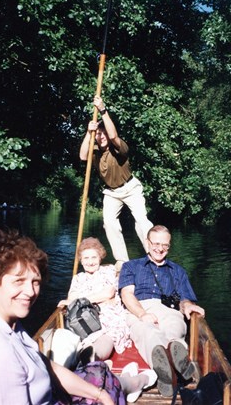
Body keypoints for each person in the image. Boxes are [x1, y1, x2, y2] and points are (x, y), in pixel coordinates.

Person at [0, 229, 115, 405]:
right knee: (111, 384)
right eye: (18, 281)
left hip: (52, 395)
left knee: (102, 376)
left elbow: (46, 366)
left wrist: (99, 394)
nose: (30, 292)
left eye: (35, 282)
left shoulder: (4, 323)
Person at [58, 237, 157, 402]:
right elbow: (71, 298)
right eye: (86, 258)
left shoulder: (109, 270)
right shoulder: (78, 278)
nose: (90, 262)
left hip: (109, 314)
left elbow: (108, 293)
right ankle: (88, 357)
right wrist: (90, 298)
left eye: (93, 257)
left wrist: (82, 299)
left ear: (100, 257)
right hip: (85, 320)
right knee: (83, 335)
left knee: (106, 335)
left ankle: (93, 356)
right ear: (81, 260)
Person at [118, 225, 205, 398]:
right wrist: (142, 314)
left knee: (174, 325)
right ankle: (169, 367)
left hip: (169, 309)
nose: (160, 249)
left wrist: (187, 305)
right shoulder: (131, 266)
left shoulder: (178, 271)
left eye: (164, 245)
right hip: (139, 308)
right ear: (147, 243)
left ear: (169, 246)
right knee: (147, 331)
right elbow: (127, 294)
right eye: (156, 243)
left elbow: (184, 299)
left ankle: (172, 361)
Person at [79, 95, 153, 270]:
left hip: (131, 187)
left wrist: (103, 110)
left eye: (103, 132)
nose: (101, 136)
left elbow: (113, 136)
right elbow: (83, 156)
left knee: (142, 221)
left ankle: (152, 253)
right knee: (109, 222)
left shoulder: (119, 147)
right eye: (98, 134)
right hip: (111, 192)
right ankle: (121, 260)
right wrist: (89, 133)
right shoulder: (94, 151)